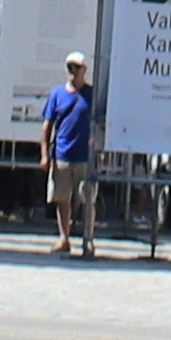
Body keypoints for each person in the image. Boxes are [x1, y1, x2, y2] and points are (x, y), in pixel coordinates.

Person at [41, 50, 102, 256]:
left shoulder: (92, 95)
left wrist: (99, 149)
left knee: (87, 200)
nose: (72, 72)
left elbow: (101, 124)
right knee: (62, 199)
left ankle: (88, 240)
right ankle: (64, 238)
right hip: (62, 156)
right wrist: (44, 154)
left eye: (76, 68)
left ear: (84, 70)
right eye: (69, 67)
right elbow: (47, 125)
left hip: (86, 157)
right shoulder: (57, 94)